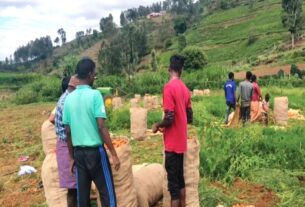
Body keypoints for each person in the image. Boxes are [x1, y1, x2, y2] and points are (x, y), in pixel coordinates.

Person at [63, 58, 120, 207]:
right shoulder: (95, 95)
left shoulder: (68, 99)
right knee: (108, 196)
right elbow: (101, 127)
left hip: (79, 155)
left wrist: (71, 157)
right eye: (94, 73)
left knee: (83, 199)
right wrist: (113, 154)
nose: (95, 76)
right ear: (89, 75)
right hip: (96, 153)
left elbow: (67, 132)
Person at [152, 55, 193, 207]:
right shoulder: (185, 89)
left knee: (173, 188)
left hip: (172, 145)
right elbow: (189, 117)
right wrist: (178, 122)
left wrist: (157, 125)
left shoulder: (169, 87)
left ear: (169, 69)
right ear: (181, 70)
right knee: (180, 181)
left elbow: (169, 117)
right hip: (181, 142)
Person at [55, 75, 80, 207]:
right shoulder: (67, 102)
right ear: (74, 86)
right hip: (67, 147)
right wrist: (71, 156)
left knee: (77, 186)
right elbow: (69, 131)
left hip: (69, 144)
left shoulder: (68, 97)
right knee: (72, 188)